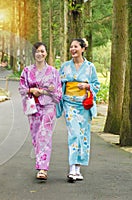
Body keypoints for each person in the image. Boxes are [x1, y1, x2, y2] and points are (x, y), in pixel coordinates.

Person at [57, 38, 100, 182]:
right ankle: (72, 168)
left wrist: (87, 86)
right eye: (71, 47)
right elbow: (58, 84)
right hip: (70, 103)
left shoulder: (90, 67)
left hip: (84, 106)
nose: (72, 49)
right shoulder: (64, 66)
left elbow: (96, 85)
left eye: (76, 47)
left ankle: (78, 168)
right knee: (74, 133)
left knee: (83, 135)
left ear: (83, 49)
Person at [19, 42, 62, 180]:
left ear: (46, 53)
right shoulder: (26, 71)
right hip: (33, 107)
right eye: (37, 51)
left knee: (45, 135)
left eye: (42, 51)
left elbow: (58, 92)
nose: (40, 54)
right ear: (34, 54)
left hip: (48, 106)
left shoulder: (54, 72)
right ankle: (40, 163)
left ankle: (43, 168)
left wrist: (44, 91)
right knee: (36, 136)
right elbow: (21, 88)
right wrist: (31, 90)